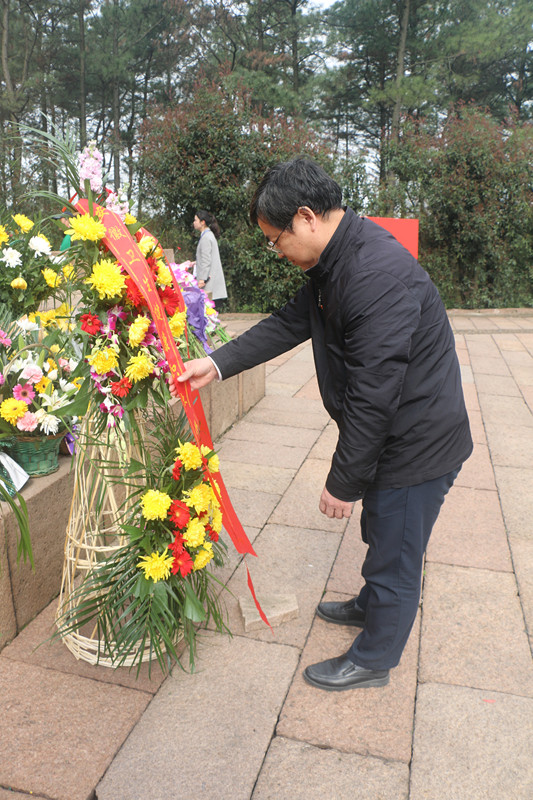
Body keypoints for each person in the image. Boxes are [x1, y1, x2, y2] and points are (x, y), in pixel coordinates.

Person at [171, 158, 472, 692]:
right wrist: (215, 364)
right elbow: (292, 322)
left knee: (397, 547)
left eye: (275, 239)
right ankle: (370, 603)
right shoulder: (336, 258)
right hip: (398, 430)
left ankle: (375, 658)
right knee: (383, 531)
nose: (276, 251)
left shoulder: (374, 274)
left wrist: (343, 480)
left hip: (417, 440)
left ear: (306, 217)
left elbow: (375, 395)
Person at [193, 210, 227, 308]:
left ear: (202, 222)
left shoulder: (206, 237)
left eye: (195, 220)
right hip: (210, 279)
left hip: (209, 281)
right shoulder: (208, 235)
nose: (194, 223)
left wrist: (202, 279)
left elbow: (206, 260)